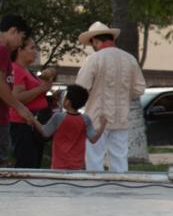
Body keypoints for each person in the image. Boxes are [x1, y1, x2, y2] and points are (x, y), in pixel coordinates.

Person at [75, 21, 146, 173]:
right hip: (121, 117)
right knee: (120, 159)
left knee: (94, 159)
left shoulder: (94, 59)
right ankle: (120, 191)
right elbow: (140, 89)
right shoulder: (130, 59)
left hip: (96, 117)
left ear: (95, 40)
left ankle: (95, 192)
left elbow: (81, 87)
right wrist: (124, 94)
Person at [9, 35, 57, 168]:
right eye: (32, 48)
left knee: (34, 163)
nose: (35, 51)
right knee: (27, 164)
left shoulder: (27, 71)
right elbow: (16, 97)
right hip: (23, 124)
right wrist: (40, 89)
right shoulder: (17, 70)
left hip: (33, 124)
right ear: (20, 50)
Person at [0, 14, 42, 165]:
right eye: (22, 37)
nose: (20, 44)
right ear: (13, 31)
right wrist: (19, 107)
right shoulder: (3, 49)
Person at [37, 84, 101, 169]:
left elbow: (45, 132)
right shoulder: (85, 119)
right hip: (78, 165)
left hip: (59, 165)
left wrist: (33, 120)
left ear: (67, 102)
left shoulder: (58, 117)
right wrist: (102, 125)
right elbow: (94, 139)